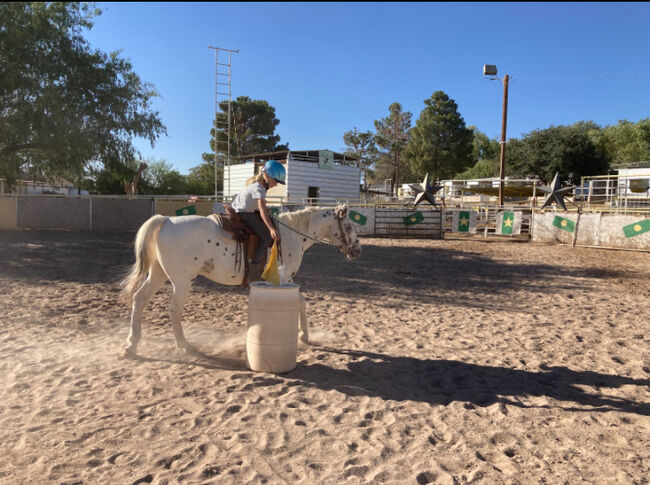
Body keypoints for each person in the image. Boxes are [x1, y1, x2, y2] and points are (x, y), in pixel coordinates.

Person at [230, 160, 285, 280]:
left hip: (242, 210)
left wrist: (265, 209)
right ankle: (253, 268)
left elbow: (259, 207)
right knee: (266, 236)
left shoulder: (257, 186)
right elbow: (262, 210)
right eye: (275, 181)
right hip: (244, 214)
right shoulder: (259, 188)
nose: (276, 185)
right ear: (267, 176)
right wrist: (271, 229)